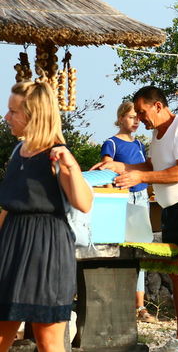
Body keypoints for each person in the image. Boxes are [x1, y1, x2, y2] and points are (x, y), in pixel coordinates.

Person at [94, 86, 178, 352]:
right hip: (171, 210)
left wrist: (140, 177)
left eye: (142, 111)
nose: (140, 118)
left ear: (158, 106)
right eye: (136, 113)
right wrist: (120, 167)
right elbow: (152, 166)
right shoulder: (155, 133)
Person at [0, 81, 94, 352]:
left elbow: (84, 203)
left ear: (34, 115)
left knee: (48, 341)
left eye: (13, 112)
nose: (7, 117)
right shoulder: (17, 151)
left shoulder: (58, 155)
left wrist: (72, 166)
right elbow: (8, 207)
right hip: (12, 245)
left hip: (47, 250)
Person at [100, 101, 157, 323]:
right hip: (122, 198)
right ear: (121, 117)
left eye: (138, 118)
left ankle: (139, 307)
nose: (136, 121)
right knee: (118, 248)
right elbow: (106, 171)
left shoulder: (140, 145)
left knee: (139, 249)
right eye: (132, 116)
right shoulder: (111, 143)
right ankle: (116, 302)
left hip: (141, 198)